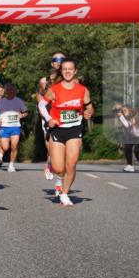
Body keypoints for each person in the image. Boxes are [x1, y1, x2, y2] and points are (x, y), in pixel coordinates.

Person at [44, 58, 93, 206]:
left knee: (71, 164)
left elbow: (89, 107)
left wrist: (89, 112)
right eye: (64, 69)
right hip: (57, 130)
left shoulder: (83, 90)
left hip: (74, 130)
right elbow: (41, 104)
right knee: (59, 168)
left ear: (75, 71)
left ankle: (64, 194)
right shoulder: (54, 89)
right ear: (61, 71)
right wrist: (48, 119)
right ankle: (53, 166)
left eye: (70, 69)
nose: (67, 72)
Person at [37, 51, 66, 181]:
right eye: (56, 59)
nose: (59, 62)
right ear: (52, 63)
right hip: (49, 118)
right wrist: (44, 113)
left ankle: (59, 183)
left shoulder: (70, 79)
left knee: (63, 151)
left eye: (62, 59)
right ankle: (50, 163)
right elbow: (39, 95)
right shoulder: (44, 81)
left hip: (64, 117)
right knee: (52, 149)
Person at [0, 83, 28, 172]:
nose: (10, 91)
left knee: (14, 146)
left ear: (15, 91)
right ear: (6, 91)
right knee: (5, 147)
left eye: (12, 90)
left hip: (15, 127)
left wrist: (22, 115)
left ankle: (11, 165)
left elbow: (26, 112)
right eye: (9, 90)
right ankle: (0, 156)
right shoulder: (1, 101)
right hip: (4, 127)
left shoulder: (19, 101)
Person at [118, 105, 139, 172]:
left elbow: (127, 125)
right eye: (123, 111)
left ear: (129, 110)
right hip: (133, 135)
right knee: (127, 148)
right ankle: (130, 166)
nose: (123, 112)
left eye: (125, 110)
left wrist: (121, 117)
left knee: (137, 150)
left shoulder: (135, 116)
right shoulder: (127, 117)